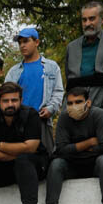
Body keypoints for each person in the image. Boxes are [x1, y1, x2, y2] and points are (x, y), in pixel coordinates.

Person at [45, 87, 103, 204]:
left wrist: (74, 149)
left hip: (95, 165)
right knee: (56, 164)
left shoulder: (99, 115)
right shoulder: (64, 118)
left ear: (87, 103)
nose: (74, 106)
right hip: (72, 165)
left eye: (78, 102)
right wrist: (88, 143)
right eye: (70, 103)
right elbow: (61, 150)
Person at [64, 1, 103, 129]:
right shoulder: (72, 47)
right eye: (84, 20)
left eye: (92, 19)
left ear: (102, 19)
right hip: (75, 97)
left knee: (102, 135)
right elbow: (68, 74)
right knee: (72, 135)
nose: (87, 24)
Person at [5, 27, 64, 155]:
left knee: (46, 159)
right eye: (20, 42)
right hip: (19, 123)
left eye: (26, 41)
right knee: (19, 160)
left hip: (41, 121)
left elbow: (58, 91)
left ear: (36, 42)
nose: (22, 45)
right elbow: (5, 96)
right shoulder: (14, 71)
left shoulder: (51, 67)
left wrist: (51, 108)